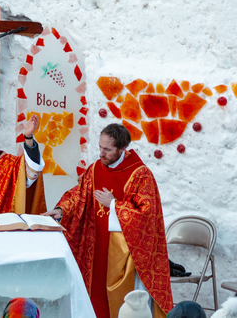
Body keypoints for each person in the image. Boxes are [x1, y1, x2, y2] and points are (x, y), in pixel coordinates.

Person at [44, 124, 173, 318]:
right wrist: (60, 210)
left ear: (122, 149)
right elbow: (79, 196)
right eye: (100, 147)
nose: (101, 153)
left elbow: (146, 216)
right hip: (95, 247)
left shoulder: (140, 174)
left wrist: (113, 204)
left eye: (107, 150)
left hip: (124, 255)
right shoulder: (95, 169)